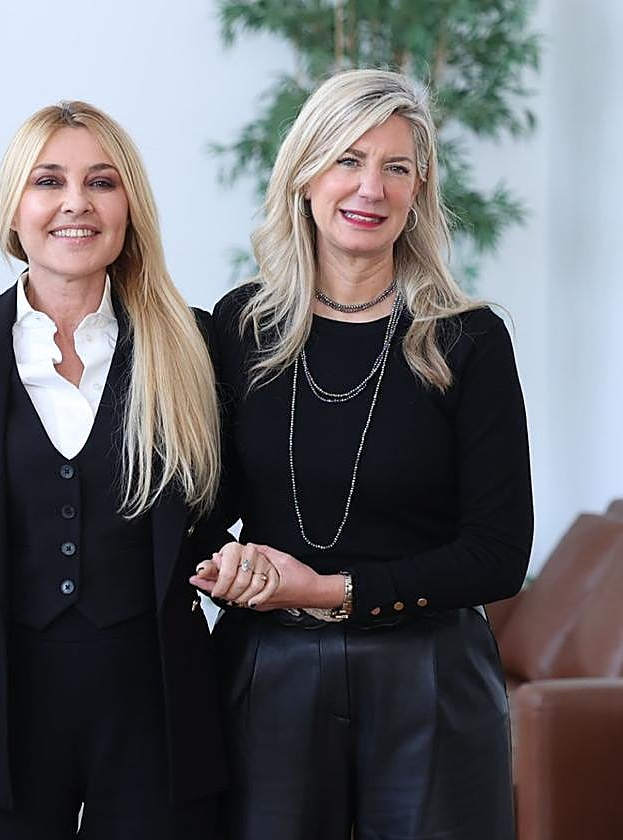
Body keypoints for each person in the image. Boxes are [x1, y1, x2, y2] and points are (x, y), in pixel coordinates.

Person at [191, 69, 531, 839]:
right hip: (268, 675)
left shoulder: (469, 339)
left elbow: (499, 553)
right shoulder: (240, 327)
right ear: (305, 174)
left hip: (431, 681)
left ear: (419, 191)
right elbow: (205, 511)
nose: (369, 187)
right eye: (348, 159)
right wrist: (228, 567)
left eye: (397, 167)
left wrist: (332, 589)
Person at [0, 101, 226, 840]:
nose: (75, 203)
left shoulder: (198, 347)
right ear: (13, 208)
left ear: (129, 208)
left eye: (102, 182)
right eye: (48, 181)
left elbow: (221, 512)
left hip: (155, 701)